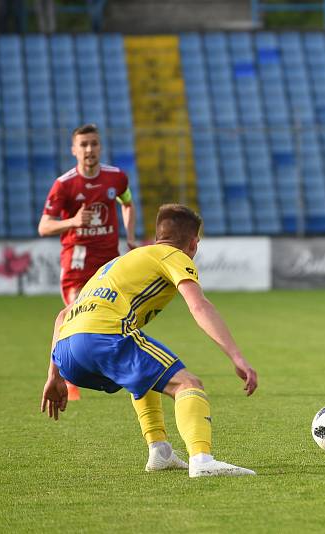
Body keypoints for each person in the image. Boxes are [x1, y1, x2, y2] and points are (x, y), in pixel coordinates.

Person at [40, 204, 258, 477]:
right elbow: (199, 306)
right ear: (194, 243)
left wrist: (55, 375)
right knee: (188, 384)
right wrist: (237, 357)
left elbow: (62, 315)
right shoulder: (173, 255)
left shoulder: (118, 262)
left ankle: (160, 451)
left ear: (158, 236)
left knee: (142, 375)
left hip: (68, 352)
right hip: (103, 336)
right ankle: (202, 460)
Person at [38, 124, 138, 399]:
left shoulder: (116, 178)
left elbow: (127, 202)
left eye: (93, 143)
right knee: (74, 317)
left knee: (117, 317)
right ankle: (64, 378)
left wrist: (129, 236)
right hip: (77, 266)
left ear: (100, 146)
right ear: (74, 150)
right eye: (83, 145)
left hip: (109, 265)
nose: (89, 149)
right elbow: (44, 226)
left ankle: (118, 372)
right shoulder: (65, 184)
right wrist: (72, 221)